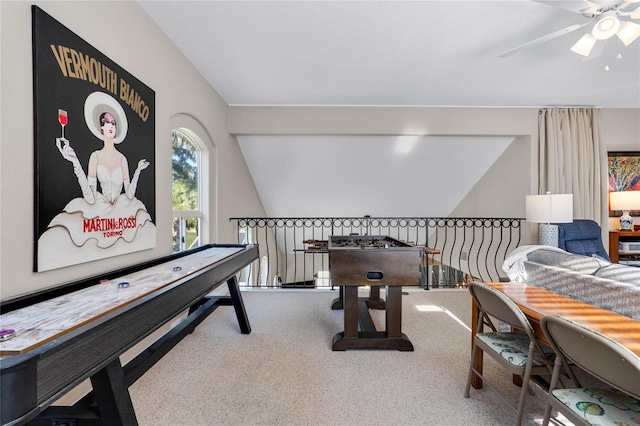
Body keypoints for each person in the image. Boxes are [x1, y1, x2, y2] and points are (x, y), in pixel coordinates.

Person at [56, 92, 149, 204]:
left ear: (116, 130)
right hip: (102, 209)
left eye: (113, 123)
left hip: (120, 210)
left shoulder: (122, 159)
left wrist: (138, 170)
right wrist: (75, 162)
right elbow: (90, 198)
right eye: (107, 121)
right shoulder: (95, 157)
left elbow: (129, 195)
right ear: (102, 128)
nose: (111, 125)